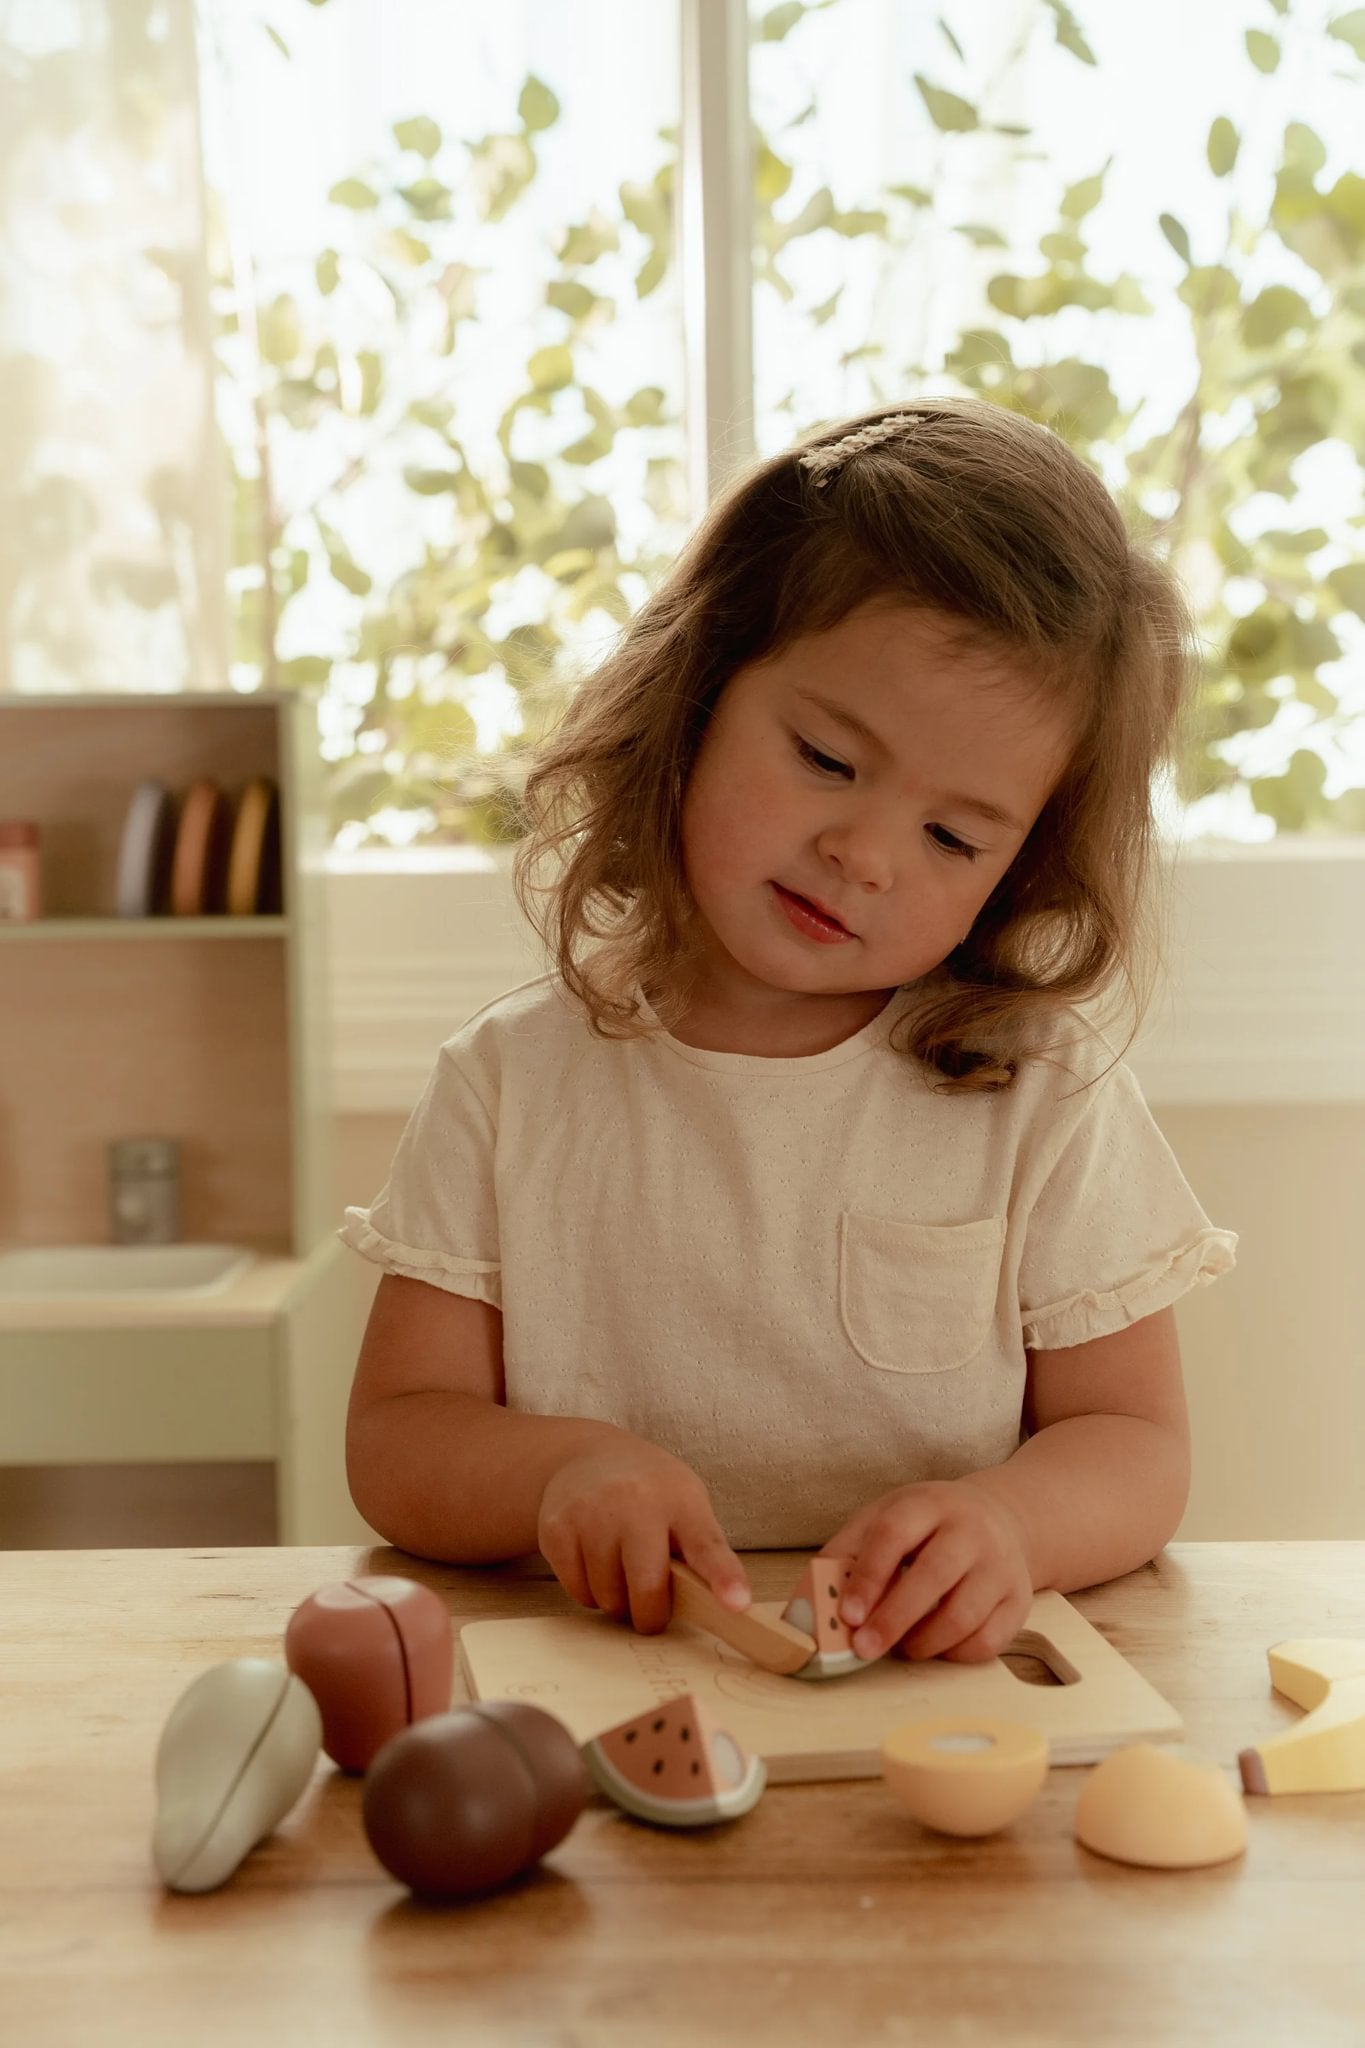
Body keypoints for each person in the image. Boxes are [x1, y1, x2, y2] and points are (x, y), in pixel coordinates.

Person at [341, 398, 1237, 1667]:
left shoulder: (1046, 1095)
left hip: (935, 1699)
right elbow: (399, 1436)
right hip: (594, 1682)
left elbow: (1136, 1446)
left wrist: (1011, 1525)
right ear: (697, 689)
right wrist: (559, 1473)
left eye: (952, 837)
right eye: (826, 756)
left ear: (1020, 868)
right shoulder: (509, 1084)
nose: (864, 855)